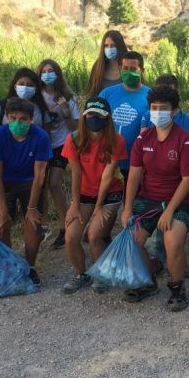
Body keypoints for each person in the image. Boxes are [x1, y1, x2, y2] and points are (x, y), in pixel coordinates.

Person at [121, 86, 189, 312]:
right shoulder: (143, 137)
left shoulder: (184, 140)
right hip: (148, 198)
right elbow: (134, 174)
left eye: (163, 109)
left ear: (175, 111)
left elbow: (188, 179)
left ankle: (177, 287)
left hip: (178, 199)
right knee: (132, 240)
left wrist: (170, 210)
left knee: (172, 242)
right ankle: (149, 279)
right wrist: (127, 208)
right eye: (154, 108)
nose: (157, 113)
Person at [60, 97, 127, 294]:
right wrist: (75, 204)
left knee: (94, 234)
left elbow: (108, 176)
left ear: (107, 118)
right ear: (84, 116)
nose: (94, 118)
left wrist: (98, 206)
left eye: (99, 115)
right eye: (90, 115)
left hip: (110, 192)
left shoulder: (117, 140)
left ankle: (101, 274)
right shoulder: (73, 139)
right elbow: (76, 173)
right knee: (71, 237)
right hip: (84, 192)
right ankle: (82, 274)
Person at [0, 97, 53, 286]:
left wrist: (31, 208)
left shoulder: (40, 137)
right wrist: (3, 209)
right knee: (0, 223)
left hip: (30, 181)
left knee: (33, 223)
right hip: (4, 181)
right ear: (6, 117)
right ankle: (8, 265)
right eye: (12, 118)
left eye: (22, 119)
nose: (17, 123)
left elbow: (40, 176)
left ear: (31, 120)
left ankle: (30, 267)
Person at [37, 59, 80, 250]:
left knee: (54, 184)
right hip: (40, 145)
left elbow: (75, 127)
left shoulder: (67, 97)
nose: (47, 74)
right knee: (40, 185)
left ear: (58, 73)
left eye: (51, 70)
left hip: (61, 144)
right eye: (44, 71)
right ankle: (42, 225)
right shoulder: (36, 97)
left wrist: (65, 111)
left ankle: (65, 226)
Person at [100, 51, 150, 185]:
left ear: (142, 71)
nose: (128, 72)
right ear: (120, 69)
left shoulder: (151, 96)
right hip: (107, 161)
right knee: (105, 205)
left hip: (136, 164)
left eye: (133, 69)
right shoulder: (107, 93)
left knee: (131, 204)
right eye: (125, 68)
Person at [140, 74, 189, 142]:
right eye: (160, 92)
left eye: (169, 93)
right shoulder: (147, 116)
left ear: (177, 93)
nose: (164, 96)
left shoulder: (185, 120)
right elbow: (143, 143)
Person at [86, 30, 128, 97]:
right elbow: (92, 92)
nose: (109, 48)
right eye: (106, 46)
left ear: (120, 46)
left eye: (113, 45)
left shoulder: (129, 66)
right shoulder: (98, 66)